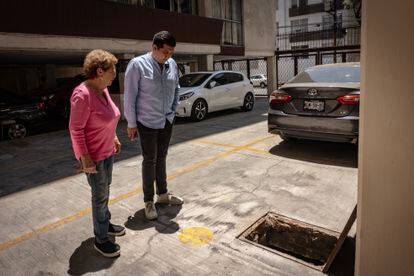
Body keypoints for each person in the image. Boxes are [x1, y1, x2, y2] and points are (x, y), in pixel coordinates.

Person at [69, 49, 125, 258]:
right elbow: (76, 129)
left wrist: (114, 137)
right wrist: (85, 158)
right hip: (93, 157)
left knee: (105, 192)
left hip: (107, 151)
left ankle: (105, 223)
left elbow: (107, 118)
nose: (115, 74)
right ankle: (101, 240)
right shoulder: (82, 95)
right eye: (113, 70)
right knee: (99, 197)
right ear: (100, 71)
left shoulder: (103, 89)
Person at [124, 31, 183, 220]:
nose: (168, 56)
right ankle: (149, 201)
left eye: (171, 53)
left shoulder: (171, 64)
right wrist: (131, 123)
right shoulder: (137, 65)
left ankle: (163, 194)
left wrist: (173, 110)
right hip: (147, 121)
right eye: (165, 52)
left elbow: (176, 88)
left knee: (162, 156)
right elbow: (130, 96)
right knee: (150, 160)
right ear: (154, 47)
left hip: (166, 119)